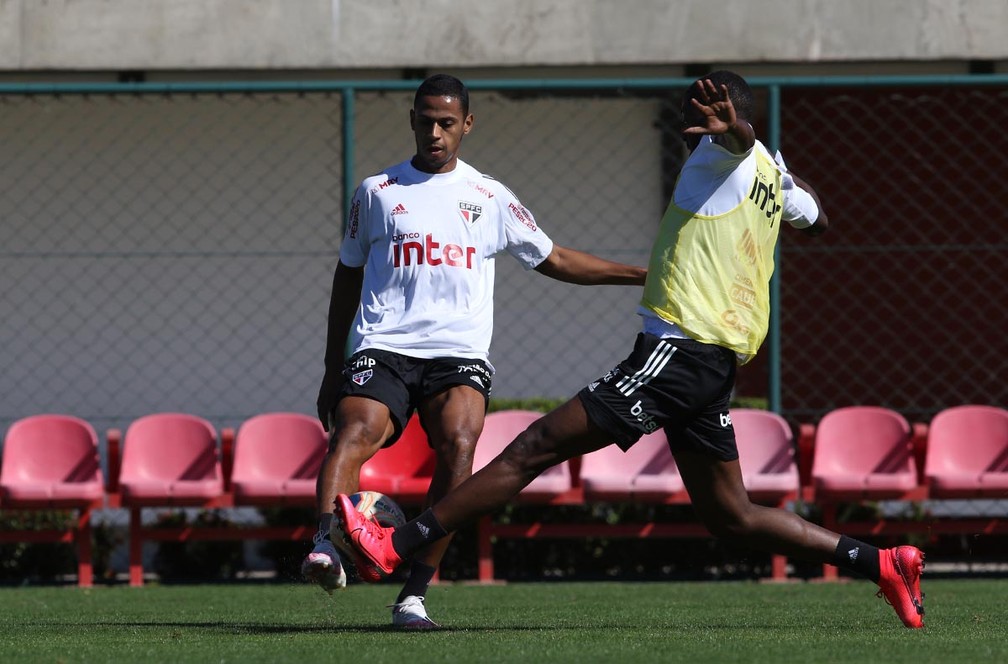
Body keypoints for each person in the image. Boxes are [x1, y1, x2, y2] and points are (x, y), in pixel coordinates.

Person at [336, 71, 926, 630]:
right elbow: (818, 220)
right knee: (733, 515)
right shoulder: (772, 174)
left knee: (533, 449)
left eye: (702, 109)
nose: (689, 118)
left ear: (726, 118)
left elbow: (741, 142)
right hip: (715, 360)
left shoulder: (725, 151)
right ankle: (881, 563)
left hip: (680, 348)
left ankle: (394, 544)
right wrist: (775, 163)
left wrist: (738, 135)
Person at [303, 73, 648, 629]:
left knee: (460, 444)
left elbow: (554, 259)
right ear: (411, 120)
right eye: (424, 121)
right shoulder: (376, 192)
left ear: (467, 124)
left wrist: (644, 275)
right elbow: (347, 277)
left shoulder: (489, 197)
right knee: (353, 434)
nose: (434, 133)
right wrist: (331, 367)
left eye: (446, 123)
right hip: (384, 344)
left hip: (457, 352)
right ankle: (325, 546)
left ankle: (413, 596)